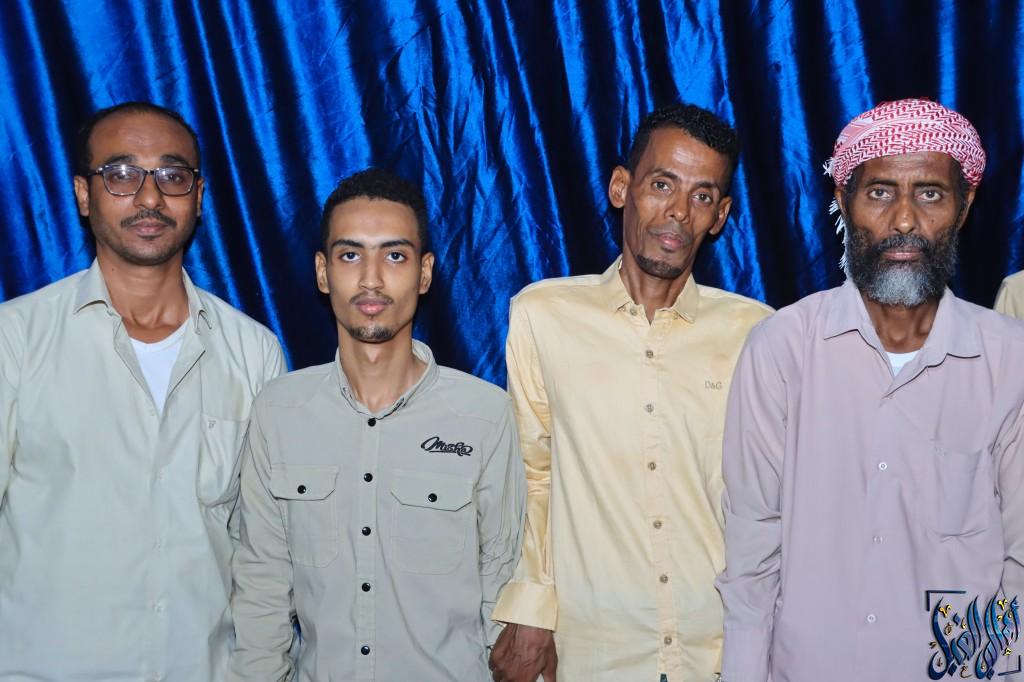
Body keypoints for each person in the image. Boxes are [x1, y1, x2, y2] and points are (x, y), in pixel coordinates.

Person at [718, 98, 1024, 681]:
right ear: (843, 200)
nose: (904, 220)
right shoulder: (783, 349)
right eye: (880, 193)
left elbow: (1019, 564)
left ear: (963, 208)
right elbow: (752, 557)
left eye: (930, 194)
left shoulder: (1011, 361)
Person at [0, 101, 285, 680]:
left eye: (172, 176)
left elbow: (266, 551)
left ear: (198, 196)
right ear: (84, 194)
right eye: (122, 174)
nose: (149, 197)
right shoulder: (17, 337)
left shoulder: (253, 351)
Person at [489, 104, 773, 682]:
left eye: (701, 196)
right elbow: (533, 476)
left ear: (720, 216)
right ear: (622, 187)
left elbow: (774, 498)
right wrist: (531, 608)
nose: (678, 212)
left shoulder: (756, 332)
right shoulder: (544, 316)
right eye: (662, 185)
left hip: (720, 649)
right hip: (593, 649)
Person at [229, 168, 525, 681]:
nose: (371, 279)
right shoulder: (279, 412)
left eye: (394, 256)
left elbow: (505, 591)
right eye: (350, 256)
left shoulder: (484, 415)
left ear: (424, 273)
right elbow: (261, 590)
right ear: (323, 272)